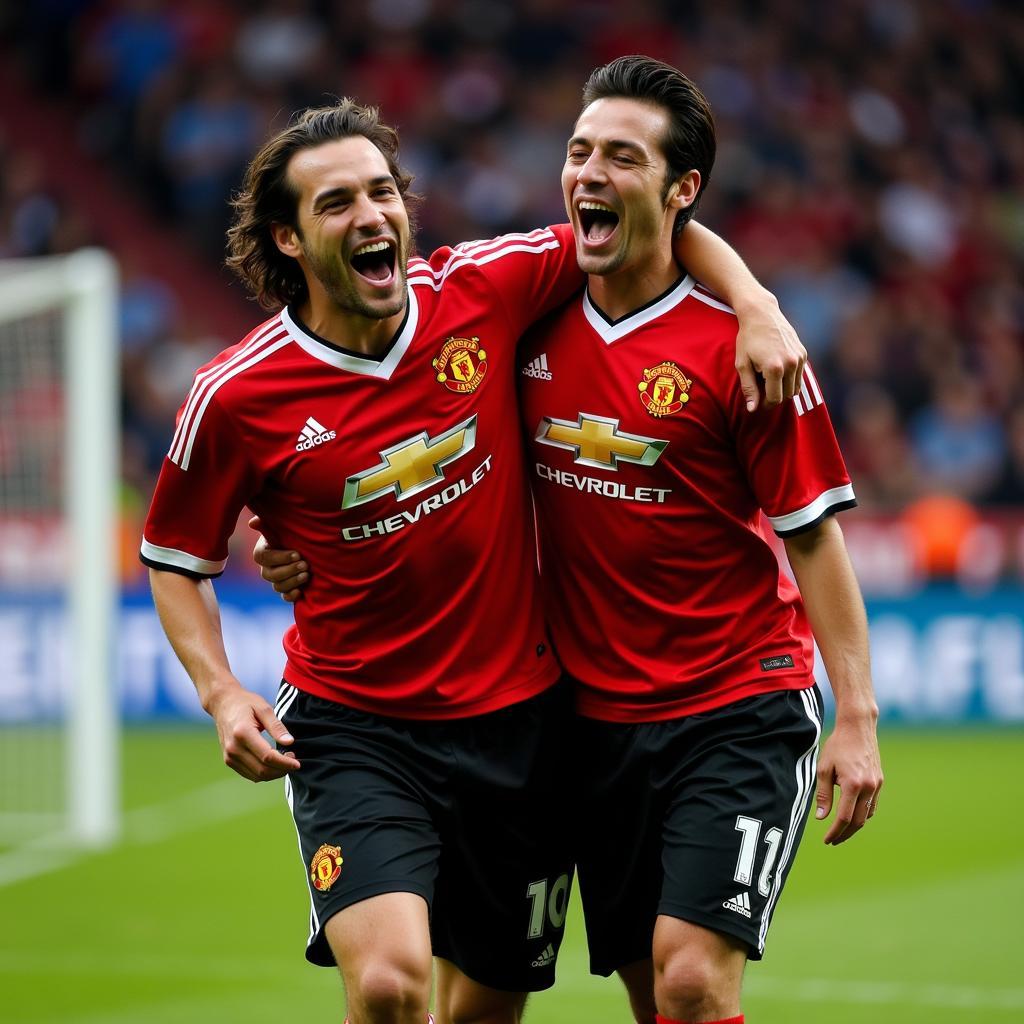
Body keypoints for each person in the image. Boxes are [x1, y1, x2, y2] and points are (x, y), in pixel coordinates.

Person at [143, 98, 805, 1024]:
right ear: (289, 239)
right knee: (388, 984)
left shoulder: (484, 290)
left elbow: (650, 230)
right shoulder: (235, 395)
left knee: (484, 1009)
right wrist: (220, 691)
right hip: (356, 724)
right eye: (336, 204)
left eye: (382, 192)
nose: (371, 215)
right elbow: (174, 557)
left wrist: (756, 303)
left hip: (521, 732)